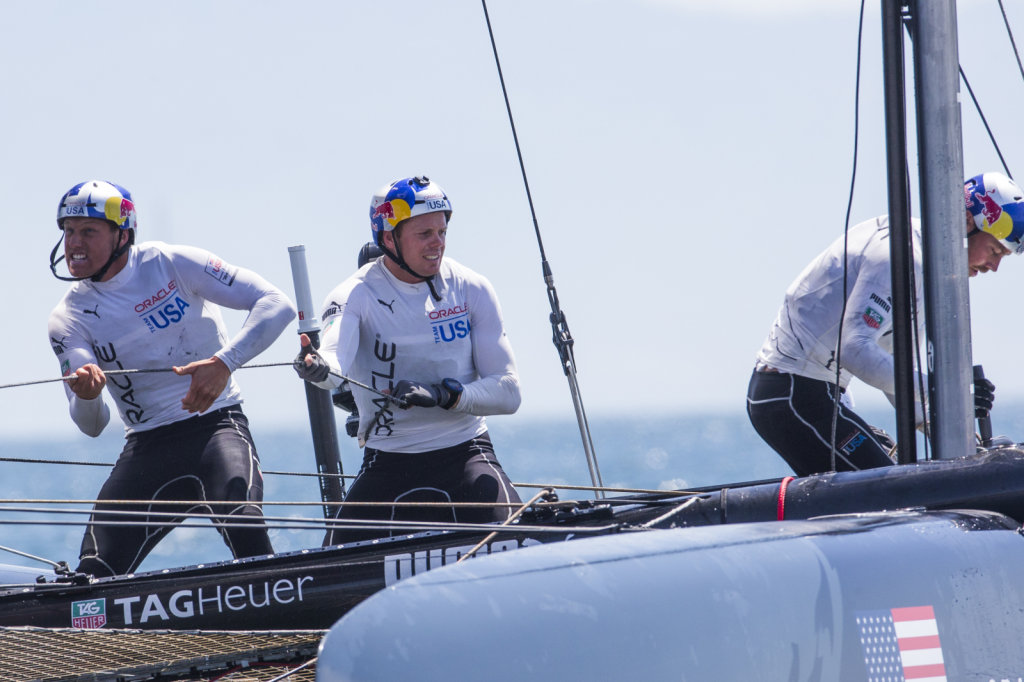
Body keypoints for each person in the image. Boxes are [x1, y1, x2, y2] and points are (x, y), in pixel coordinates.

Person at [47, 180, 296, 577]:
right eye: (68, 231)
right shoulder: (68, 317)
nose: (74, 242)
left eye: (88, 232)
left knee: (241, 513)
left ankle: (286, 608)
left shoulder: (171, 262)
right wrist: (89, 396)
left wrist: (224, 363)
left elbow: (276, 304)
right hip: (147, 445)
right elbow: (91, 426)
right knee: (94, 570)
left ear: (122, 235)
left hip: (216, 426)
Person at [747, 172, 1024, 477]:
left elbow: (893, 365)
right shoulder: (903, 255)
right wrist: (945, 388)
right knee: (900, 499)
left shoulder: (924, 263)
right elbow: (854, 348)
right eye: (996, 250)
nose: (994, 267)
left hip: (813, 393)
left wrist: (958, 440)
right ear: (967, 224)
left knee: (895, 481)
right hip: (793, 395)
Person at [293, 175, 522, 544]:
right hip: (390, 461)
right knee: (330, 563)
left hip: (465, 453)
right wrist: (316, 367)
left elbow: (509, 392)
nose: (438, 244)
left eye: (442, 232)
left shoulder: (471, 287)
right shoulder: (355, 295)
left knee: (520, 544)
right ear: (388, 239)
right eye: (424, 234)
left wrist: (446, 396)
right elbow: (333, 365)